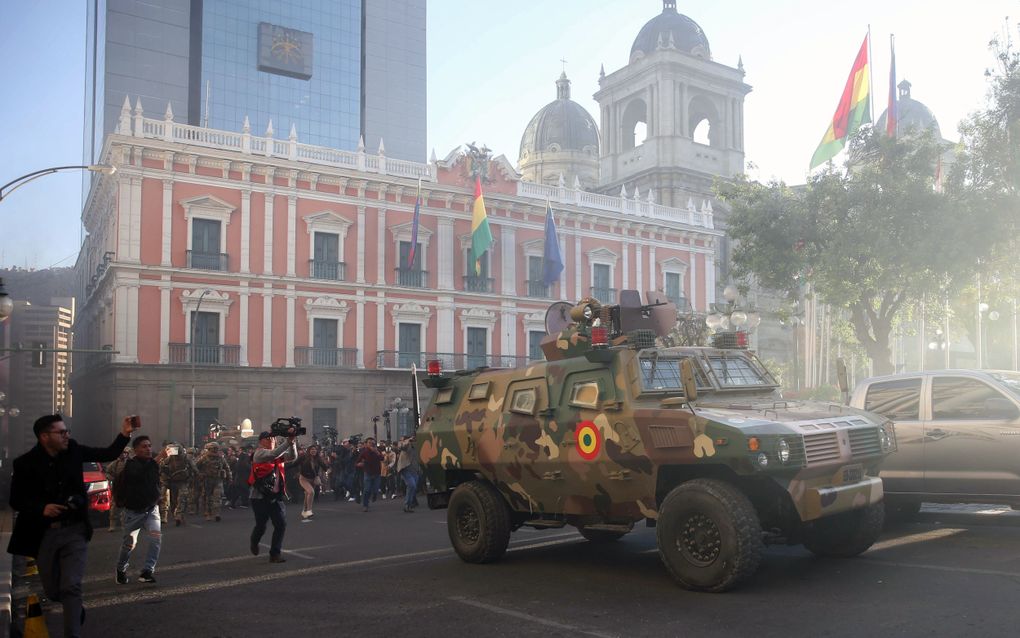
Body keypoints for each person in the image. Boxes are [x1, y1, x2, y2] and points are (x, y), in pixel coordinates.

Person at [7, 414, 137, 638]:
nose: (67, 435)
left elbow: (107, 454)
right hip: (43, 533)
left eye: (67, 431)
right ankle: (74, 607)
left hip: (74, 530)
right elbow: (15, 500)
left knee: (72, 586)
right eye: (61, 432)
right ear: (44, 436)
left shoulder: (74, 450)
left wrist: (125, 433)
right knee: (54, 590)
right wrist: (41, 508)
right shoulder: (25, 463)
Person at [114, 435, 165, 584]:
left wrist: (157, 497)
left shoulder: (152, 464)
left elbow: (153, 481)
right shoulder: (131, 465)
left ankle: (147, 571)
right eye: (144, 446)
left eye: (149, 446)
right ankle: (120, 569)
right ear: (135, 450)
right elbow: (140, 475)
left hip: (151, 510)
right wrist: (158, 458)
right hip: (134, 512)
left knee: (156, 539)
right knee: (129, 544)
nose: (148, 449)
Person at [249, 430, 297, 563]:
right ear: (260, 441)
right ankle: (254, 541)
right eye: (268, 438)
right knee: (261, 525)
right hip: (259, 497)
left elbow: (292, 457)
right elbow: (274, 454)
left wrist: (292, 442)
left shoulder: (277, 455)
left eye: (273, 439)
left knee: (280, 524)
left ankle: (275, 554)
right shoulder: (259, 453)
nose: (271, 441)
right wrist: (288, 441)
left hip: (275, 496)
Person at [160, 442, 197, 526]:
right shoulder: (169, 459)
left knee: (182, 498)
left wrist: (197, 476)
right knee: (173, 501)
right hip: (173, 482)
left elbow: (193, 467)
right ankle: (175, 514)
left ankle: (179, 515)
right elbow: (161, 468)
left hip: (183, 481)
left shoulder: (186, 458)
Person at [196, 442, 232, 522]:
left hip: (217, 480)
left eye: (216, 448)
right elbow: (196, 467)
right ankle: (208, 513)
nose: (214, 450)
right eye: (213, 448)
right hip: (207, 480)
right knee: (207, 497)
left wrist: (229, 478)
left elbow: (227, 468)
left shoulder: (220, 458)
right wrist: (200, 475)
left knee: (217, 497)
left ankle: (216, 513)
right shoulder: (204, 458)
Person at [297, 445, 328, 519]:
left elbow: (325, 467)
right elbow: (294, 464)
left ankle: (304, 511)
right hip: (303, 478)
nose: (313, 451)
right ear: (308, 450)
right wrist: (284, 466)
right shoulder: (303, 457)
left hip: (313, 479)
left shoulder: (318, 459)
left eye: (315, 449)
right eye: (312, 449)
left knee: (307, 494)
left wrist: (328, 469)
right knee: (311, 492)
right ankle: (309, 510)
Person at [104, 447, 131, 531]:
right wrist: (113, 479)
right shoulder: (115, 464)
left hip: (128, 487)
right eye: (122, 453)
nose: (123, 454)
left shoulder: (131, 463)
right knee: (114, 507)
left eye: (125, 453)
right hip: (117, 488)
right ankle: (112, 525)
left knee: (128, 508)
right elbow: (107, 472)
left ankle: (126, 524)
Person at [357, 437, 384, 512]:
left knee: (376, 489)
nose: (371, 444)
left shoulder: (377, 450)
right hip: (368, 473)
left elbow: (382, 458)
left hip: (377, 473)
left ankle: (374, 495)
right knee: (367, 490)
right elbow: (357, 462)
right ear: (366, 444)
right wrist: (359, 464)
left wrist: (377, 452)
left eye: (372, 443)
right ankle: (365, 505)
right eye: (369, 442)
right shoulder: (364, 452)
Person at [396, 435, 420, 513]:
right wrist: (408, 440)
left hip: (414, 469)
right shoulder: (405, 445)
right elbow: (400, 446)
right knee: (411, 485)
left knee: (413, 487)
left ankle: (410, 504)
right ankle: (407, 505)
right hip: (405, 468)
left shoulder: (417, 446)